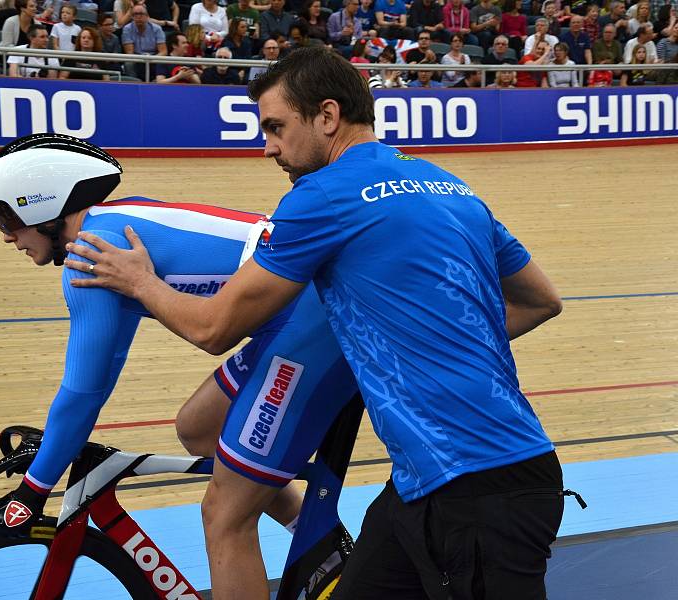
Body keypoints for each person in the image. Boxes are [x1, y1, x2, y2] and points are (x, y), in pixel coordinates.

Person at [65, 46, 571, 600]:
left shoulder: (322, 195)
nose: (269, 147)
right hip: (432, 481)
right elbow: (541, 299)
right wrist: (411, 348)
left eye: (277, 128)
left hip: (478, 491)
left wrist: (141, 283)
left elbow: (212, 330)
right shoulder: (449, 186)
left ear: (327, 117)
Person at [0, 132, 358, 600]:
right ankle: (322, 540)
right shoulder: (108, 232)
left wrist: (34, 490)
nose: (5, 234)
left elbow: (83, 394)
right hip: (299, 314)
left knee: (224, 516)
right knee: (198, 428)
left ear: (44, 205)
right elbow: (95, 385)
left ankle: (318, 543)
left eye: (7, 216)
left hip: (310, 322)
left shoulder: (91, 255)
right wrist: (48, 463)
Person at [122, 4, 167, 79]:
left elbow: (163, 51)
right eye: (135, 14)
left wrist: (151, 59)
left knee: (161, 62)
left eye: (141, 14)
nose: (138, 17)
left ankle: (156, 83)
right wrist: (142, 59)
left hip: (154, 57)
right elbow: (129, 52)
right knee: (128, 63)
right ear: (132, 17)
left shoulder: (157, 29)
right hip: (136, 57)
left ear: (147, 16)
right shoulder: (127, 29)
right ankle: (133, 83)